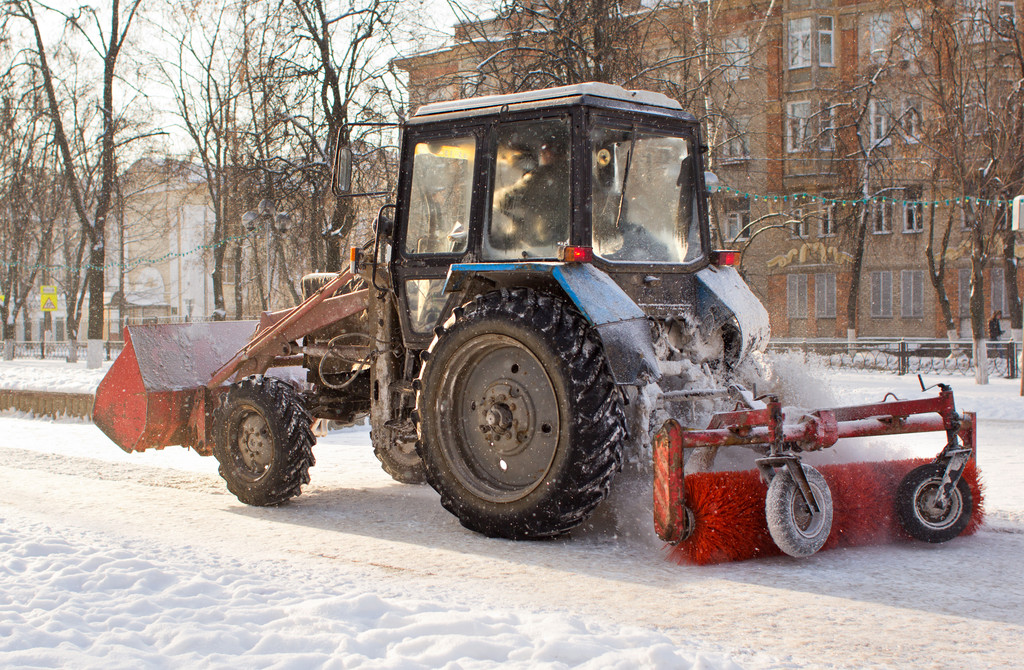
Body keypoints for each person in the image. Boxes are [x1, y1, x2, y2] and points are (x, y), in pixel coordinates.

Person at [490, 135, 569, 251]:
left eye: (544, 150)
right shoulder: (581, 175)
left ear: (549, 152)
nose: (543, 154)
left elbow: (504, 200)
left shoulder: (541, 177)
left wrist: (491, 197)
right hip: (565, 240)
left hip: (546, 245)